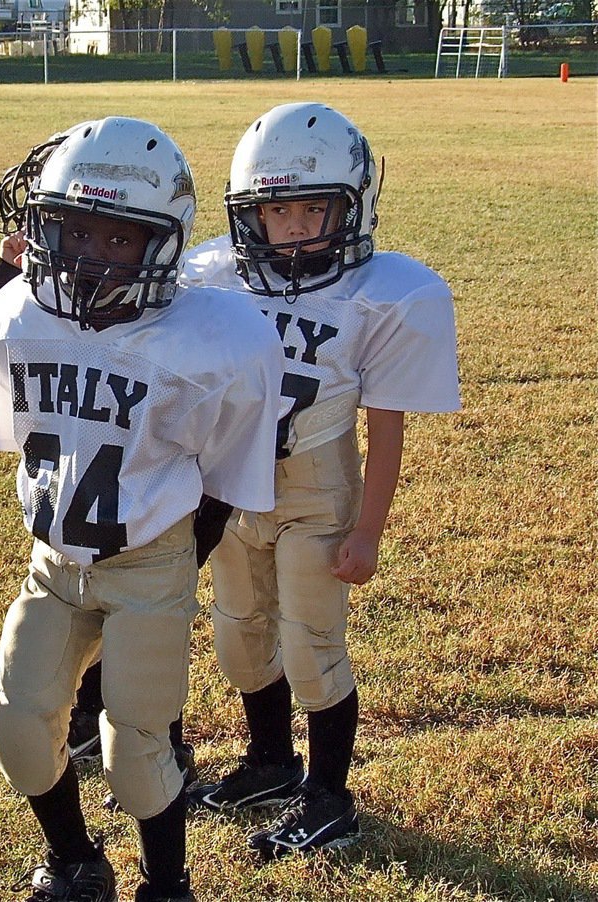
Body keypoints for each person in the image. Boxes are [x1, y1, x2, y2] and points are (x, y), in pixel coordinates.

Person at [0, 117, 283, 901]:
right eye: (74, 231)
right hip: (53, 562)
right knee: (16, 727)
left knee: (137, 747)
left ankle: (167, 882)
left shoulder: (215, 336)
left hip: (149, 562)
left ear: (165, 243)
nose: (90, 257)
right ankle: (75, 859)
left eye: (119, 240)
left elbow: (224, 478)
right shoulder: (17, 315)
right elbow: (19, 406)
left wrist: (176, 558)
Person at [179, 103, 461, 858]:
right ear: (250, 215)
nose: (297, 226)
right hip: (233, 487)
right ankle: (271, 762)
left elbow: (387, 422)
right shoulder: (212, 277)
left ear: (354, 204)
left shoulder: (383, 292)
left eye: (315, 208)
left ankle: (329, 797)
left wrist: (368, 531)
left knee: (312, 643)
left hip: (317, 487)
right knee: (239, 636)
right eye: (277, 210)